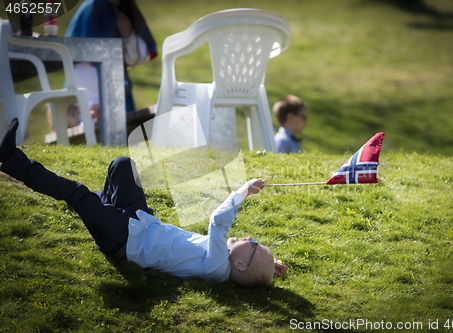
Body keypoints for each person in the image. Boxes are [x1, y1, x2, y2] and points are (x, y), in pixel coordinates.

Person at [0, 119, 287, 287]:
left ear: (238, 264)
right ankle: (102, 209)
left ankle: (10, 159)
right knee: (122, 165)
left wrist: (243, 191)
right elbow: (250, 264)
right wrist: (270, 264)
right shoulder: (229, 262)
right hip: (141, 220)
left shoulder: (216, 265)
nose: (249, 237)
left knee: (77, 194)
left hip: (121, 238)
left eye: (252, 244)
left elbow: (218, 221)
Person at [64, 0, 158, 119]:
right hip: (85, 94)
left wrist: (128, 34)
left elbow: (139, 56)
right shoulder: (94, 6)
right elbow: (78, 62)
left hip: (117, 88)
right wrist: (94, 100)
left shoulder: (124, 8)